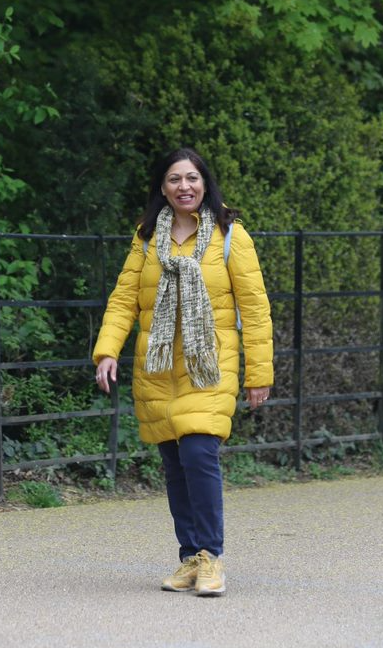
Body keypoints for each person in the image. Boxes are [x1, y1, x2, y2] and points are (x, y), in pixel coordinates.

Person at [92, 147, 274, 597]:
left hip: (209, 366)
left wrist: (259, 373)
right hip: (157, 368)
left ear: (205, 183)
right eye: (174, 179)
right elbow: (124, 299)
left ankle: (211, 557)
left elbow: (254, 309)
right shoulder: (146, 239)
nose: (184, 187)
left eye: (192, 178)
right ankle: (189, 556)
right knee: (174, 465)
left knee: (197, 453)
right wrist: (107, 351)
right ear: (162, 188)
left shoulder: (231, 236)